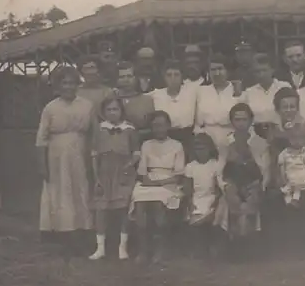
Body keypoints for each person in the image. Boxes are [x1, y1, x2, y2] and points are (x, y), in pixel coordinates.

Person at [36, 66, 97, 256]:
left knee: (80, 189)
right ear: (58, 85)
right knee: (61, 191)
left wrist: (92, 156)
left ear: (78, 84)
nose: (68, 87)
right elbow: (41, 138)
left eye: (72, 83)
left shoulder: (87, 105)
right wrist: (42, 164)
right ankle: (63, 235)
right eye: (64, 83)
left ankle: (83, 233)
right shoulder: (51, 107)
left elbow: (94, 133)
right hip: (57, 154)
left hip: (80, 151)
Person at [213, 103, 269, 261]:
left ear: (251, 121)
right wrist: (226, 187)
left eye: (244, 119)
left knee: (250, 205)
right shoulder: (224, 142)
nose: (241, 123)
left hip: (253, 183)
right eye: (237, 119)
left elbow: (265, 170)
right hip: (232, 183)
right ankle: (234, 249)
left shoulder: (260, 143)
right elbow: (219, 170)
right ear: (232, 121)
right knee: (230, 204)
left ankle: (249, 248)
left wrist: (258, 186)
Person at [130, 111, 186, 264]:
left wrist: (159, 183)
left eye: (161, 125)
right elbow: (142, 171)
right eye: (155, 125)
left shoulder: (177, 145)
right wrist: (149, 181)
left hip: (169, 182)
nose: (158, 129)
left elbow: (178, 174)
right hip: (149, 181)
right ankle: (143, 250)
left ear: (168, 126)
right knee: (139, 203)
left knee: (158, 205)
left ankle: (159, 250)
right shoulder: (146, 144)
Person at [89, 97, 140, 261]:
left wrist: (129, 165)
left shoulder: (129, 129)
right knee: (101, 209)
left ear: (121, 111)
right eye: (109, 110)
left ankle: (122, 246)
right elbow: (94, 154)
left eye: (115, 109)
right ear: (103, 113)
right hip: (104, 171)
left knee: (123, 209)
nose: (112, 113)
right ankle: (100, 247)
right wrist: (96, 176)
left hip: (123, 171)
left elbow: (136, 152)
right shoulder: (99, 129)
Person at [268, 87, 305, 191]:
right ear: (278, 110)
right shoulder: (274, 133)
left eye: (292, 107)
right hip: (285, 183)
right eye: (285, 107)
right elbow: (274, 163)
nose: (289, 110)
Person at [195, 53, 246, 159]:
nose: (217, 73)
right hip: (206, 142)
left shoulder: (237, 91)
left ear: (227, 71)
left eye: (220, 69)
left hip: (231, 140)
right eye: (213, 69)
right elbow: (197, 123)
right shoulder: (201, 91)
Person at [182, 133, 222, 259]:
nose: (200, 152)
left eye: (203, 148)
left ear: (210, 149)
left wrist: (215, 202)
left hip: (211, 197)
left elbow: (218, 187)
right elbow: (188, 188)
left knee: (211, 217)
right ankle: (198, 248)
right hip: (196, 198)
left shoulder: (215, 164)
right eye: (197, 149)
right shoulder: (190, 166)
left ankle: (212, 247)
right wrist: (190, 202)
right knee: (195, 220)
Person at [147, 59, 196, 152]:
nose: (173, 78)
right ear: (164, 77)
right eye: (169, 75)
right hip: (165, 137)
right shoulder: (156, 94)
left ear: (182, 77)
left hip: (187, 137)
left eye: (176, 74)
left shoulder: (192, 92)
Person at [243, 53, 291, 138]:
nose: (261, 74)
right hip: (256, 137)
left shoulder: (284, 87)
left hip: (281, 135)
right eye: (257, 71)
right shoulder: (249, 92)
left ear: (272, 70)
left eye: (264, 70)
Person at [278, 124, 305, 208]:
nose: (297, 141)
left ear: (304, 140)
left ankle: (295, 200)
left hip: (302, 178)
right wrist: (282, 176)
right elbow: (281, 165)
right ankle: (289, 202)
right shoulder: (285, 152)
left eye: (300, 138)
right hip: (290, 177)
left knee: (298, 188)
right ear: (289, 139)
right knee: (287, 190)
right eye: (293, 138)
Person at [113, 61, 155, 142]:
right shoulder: (110, 100)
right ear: (116, 79)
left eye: (129, 76)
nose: (126, 80)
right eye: (122, 77)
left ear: (135, 78)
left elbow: (151, 128)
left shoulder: (147, 100)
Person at [76, 55, 114, 120]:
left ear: (98, 70)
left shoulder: (107, 92)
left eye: (92, 68)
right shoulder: (76, 91)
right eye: (86, 68)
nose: (89, 72)